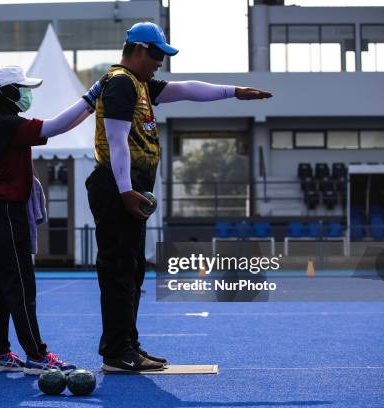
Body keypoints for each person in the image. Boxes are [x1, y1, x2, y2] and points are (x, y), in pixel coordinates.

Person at [86, 22, 273, 372]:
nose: (160, 62)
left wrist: (234, 91)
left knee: (133, 269)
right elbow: (116, 141)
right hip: (116, 187)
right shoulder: (121, 83)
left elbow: (187, 89)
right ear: (139, 49)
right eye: (157, 55)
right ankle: (116, 351)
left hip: (129, 187)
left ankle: (127, 345)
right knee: (119, 270)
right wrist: (126, 190)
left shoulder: (138, 83)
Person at [0, 65, 105, 375]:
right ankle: (37, 355)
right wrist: (92, 96)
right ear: (6, 93)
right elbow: (57, 125)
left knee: (0, 285)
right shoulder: (9, 124)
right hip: (5, 212)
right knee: (21, 286)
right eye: (21, 88)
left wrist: (90, 103)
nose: (26, 94)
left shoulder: (3, 124)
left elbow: (57, 127)